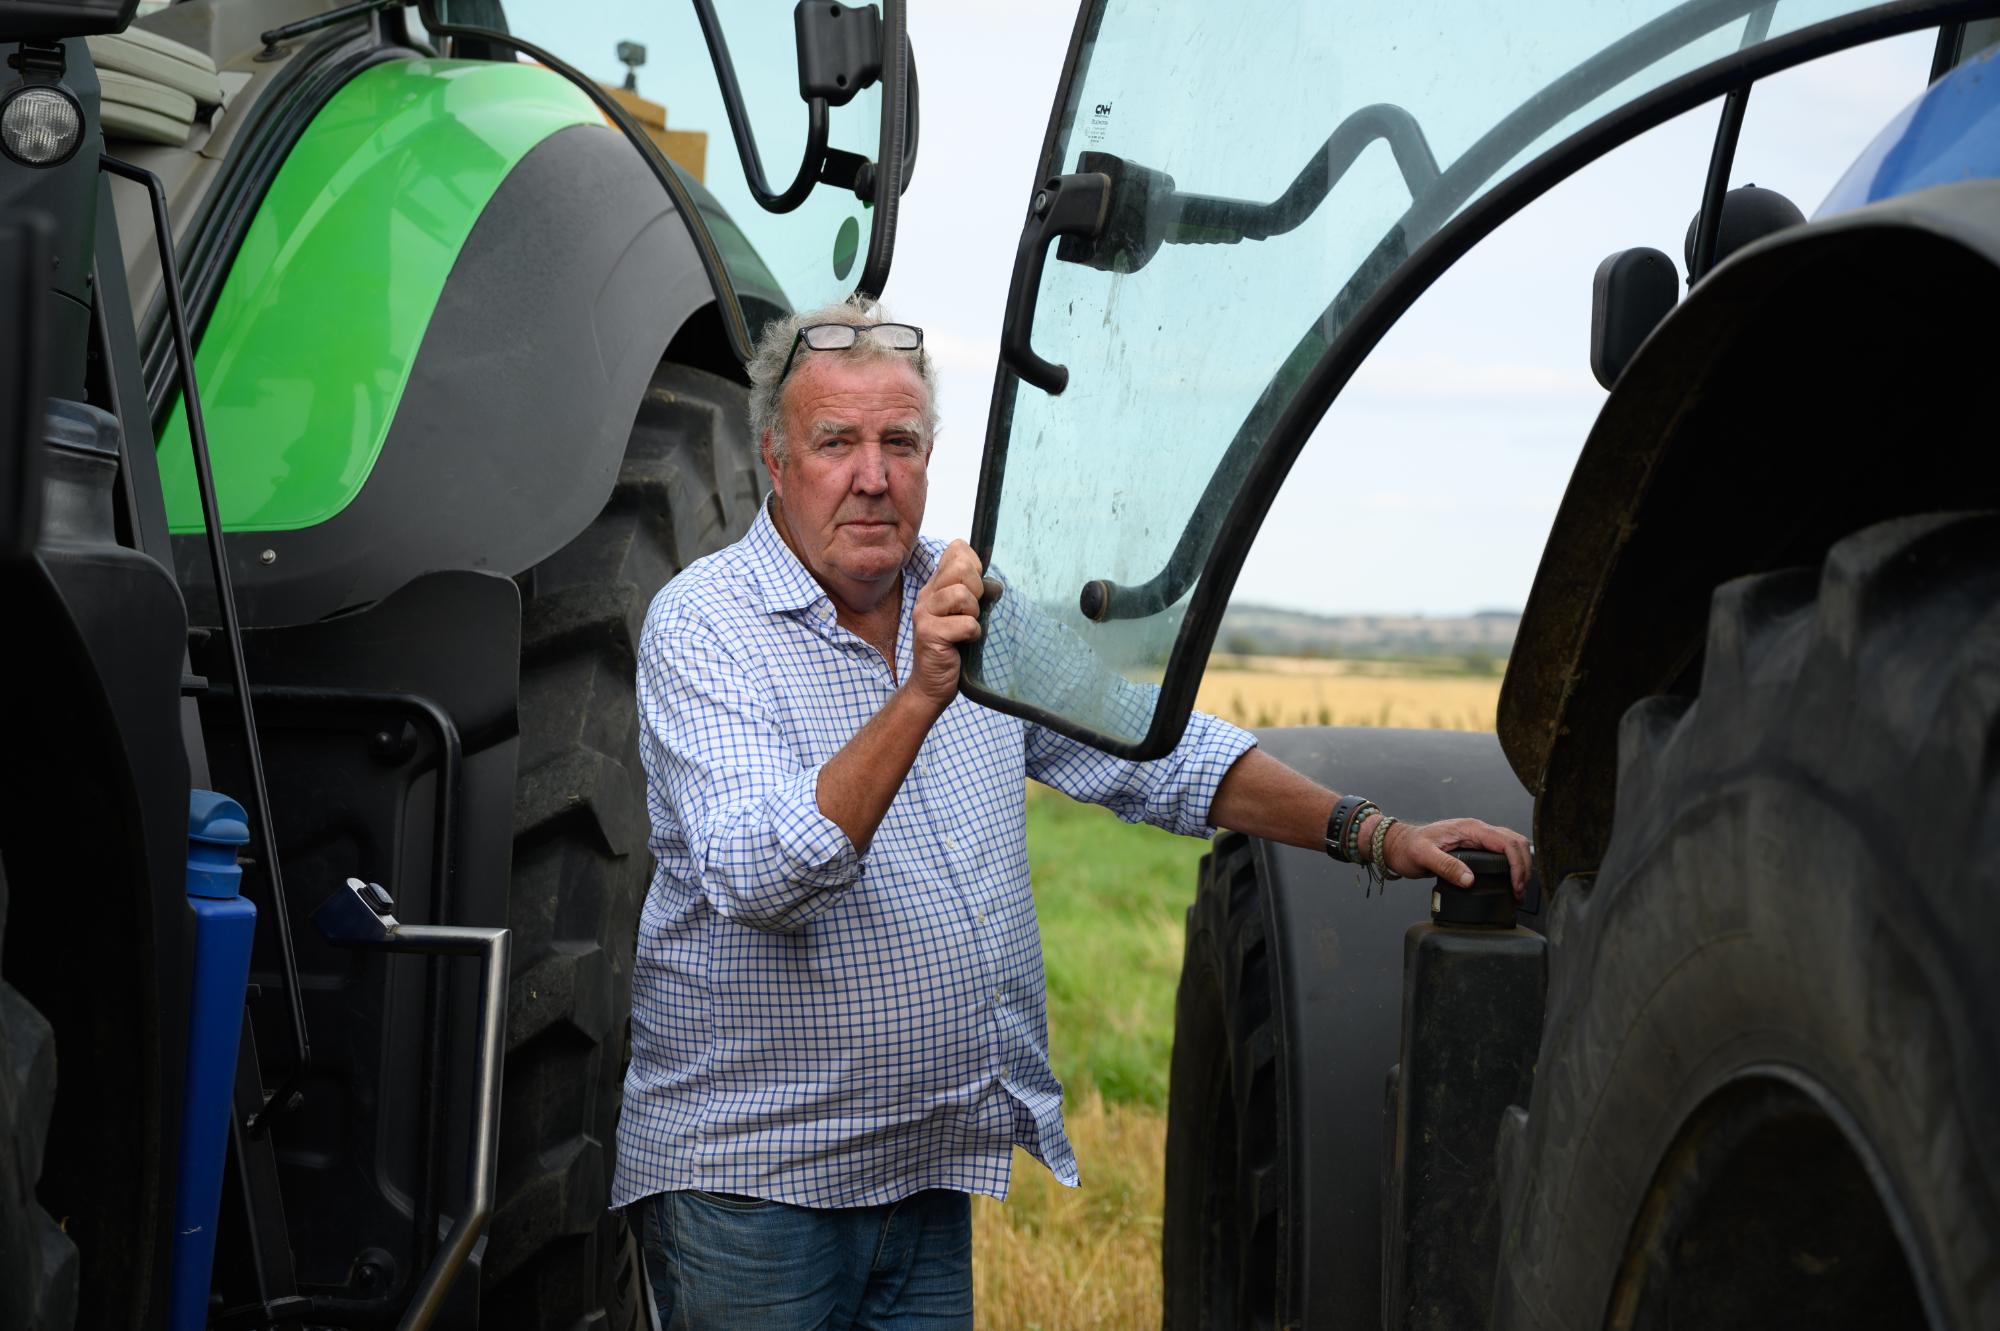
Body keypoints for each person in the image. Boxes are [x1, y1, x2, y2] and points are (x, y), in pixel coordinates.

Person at [612, 298, 1530, 1328]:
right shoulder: (708, 625)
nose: (872, 475)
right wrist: (920, 691)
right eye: (836, 442)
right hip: (753, 1191)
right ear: (775, 460)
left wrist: (1373, 830)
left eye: (899, 441)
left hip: (920, 1175)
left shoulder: (975, 612)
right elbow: (760, 875)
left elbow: (1153, 751)